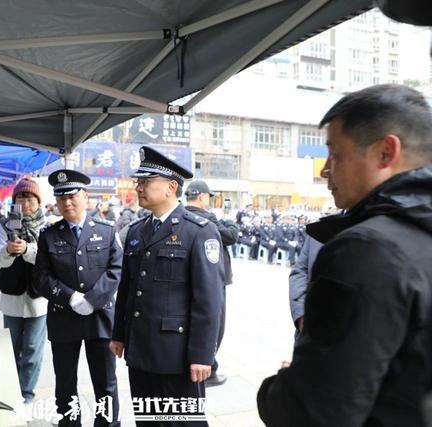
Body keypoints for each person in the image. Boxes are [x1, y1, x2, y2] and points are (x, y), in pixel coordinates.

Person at [257, 84, 432, 426]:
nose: (325, 170)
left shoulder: (367, 250)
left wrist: (280, 388)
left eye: (335, 154)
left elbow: (313, 413)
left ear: (385, 153)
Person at [110, 147, 223, 427]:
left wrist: (202, 355)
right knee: (148, 420)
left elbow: (209, 300)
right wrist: (119, 334)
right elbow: (127, 288)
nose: (138, 187)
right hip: (140, 351)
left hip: (177, 355)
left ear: (171, 187)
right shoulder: (137, 231)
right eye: (138, 181)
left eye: (146, 181)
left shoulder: (198, 231)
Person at [32, 169, 122, 427]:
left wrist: (92, 299)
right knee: (65, 382)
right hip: (64, 317)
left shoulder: (107, 230)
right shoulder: (48, 235)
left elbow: (116, 269)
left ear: (85, 196)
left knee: (105, 382)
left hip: (100, 317)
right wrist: (70, 297)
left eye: (72, 196)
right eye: (61, 198)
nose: (67, 203)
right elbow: (41, 277)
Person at [0, 177, 47, 405]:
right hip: (11, 297)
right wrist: (8, 249)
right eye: (20, 198)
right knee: (10, 349)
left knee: (32, 349)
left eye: (30, 198)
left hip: (39, 298)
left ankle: (27, 396)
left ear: (39, 201)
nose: (25, 203)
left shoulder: (47, 225)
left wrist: (27, 249)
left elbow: (50, 259)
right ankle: (10, 393)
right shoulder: (5, 226)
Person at [184, 180, 238, 387]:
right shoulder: (208, 218)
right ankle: (209, 368)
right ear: (202, 197)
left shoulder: (180, 215)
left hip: (188, 278)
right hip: (213, 280)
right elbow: (231, 236)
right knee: (215, 323)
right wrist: (229, 220)